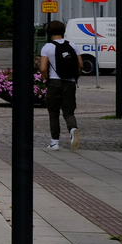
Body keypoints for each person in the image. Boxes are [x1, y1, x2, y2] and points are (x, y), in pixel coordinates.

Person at [39, 20, 80, 150]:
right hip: (70, 82)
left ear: (49, 32)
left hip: (54, 82)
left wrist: (47, 80)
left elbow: (43, 68)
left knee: (53, 112)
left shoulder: (47, 47)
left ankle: (54, 142)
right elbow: (81, 64)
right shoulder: (72, 45)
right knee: (69, 112)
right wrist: (75, 77)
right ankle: (73, 129)